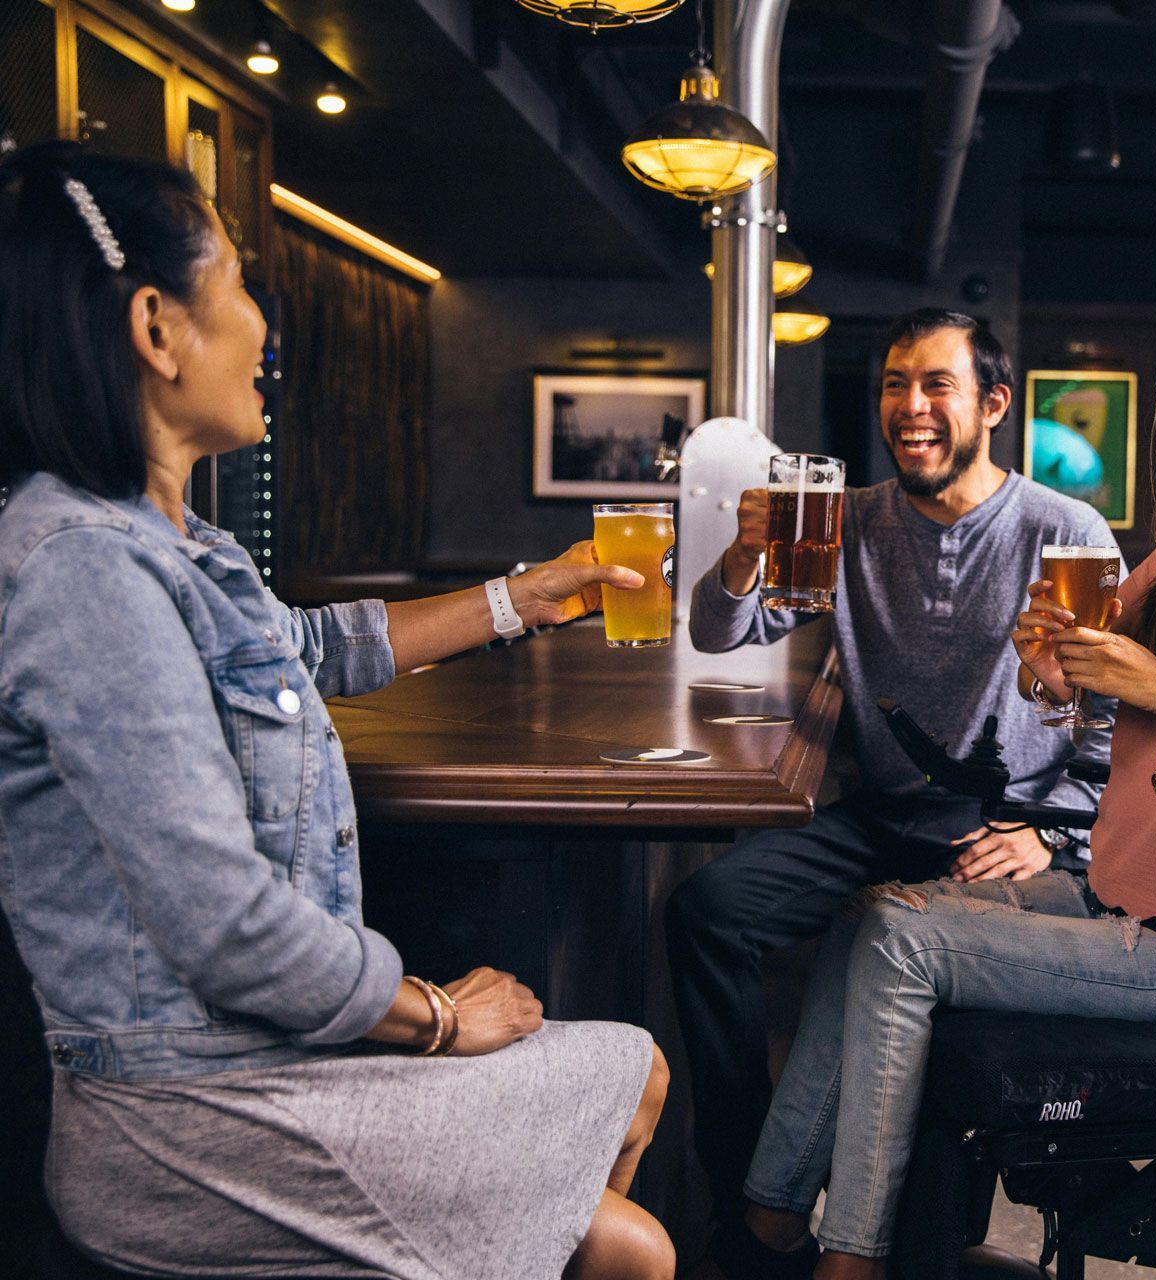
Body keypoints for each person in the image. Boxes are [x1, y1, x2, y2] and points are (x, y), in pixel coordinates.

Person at [0, 141, 673, 1280]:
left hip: (262, 1061)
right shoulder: (82, 570)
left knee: (638, 1074)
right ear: (157, 330)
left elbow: (308, 648)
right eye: (241, 286)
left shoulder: (182, 545)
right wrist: (438, 1015)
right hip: (183, 1117)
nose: (268, 326)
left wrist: (525, 596)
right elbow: (229, 929)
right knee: (634, 1249)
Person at [726, 299, 1156, 1279]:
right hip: (1131, 888)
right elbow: (1066, 680)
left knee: (902, 935)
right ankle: (771, 1216)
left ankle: (842, 1254)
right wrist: (1049, 660)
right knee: (868, 918)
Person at [672, 309, 1118, 1258]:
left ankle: (786, 1213)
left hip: (1001, 827)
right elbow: (717, 635)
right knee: (707, 907)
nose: (909, 408)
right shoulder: (849, 521)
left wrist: (1053, 835)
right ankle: (740, 1180)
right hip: (882, 816)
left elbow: (1111, 722)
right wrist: (746, 553)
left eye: (936, 385)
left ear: (993, 404)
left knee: (875, 944)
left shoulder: (1062, 529)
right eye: (892, 384)